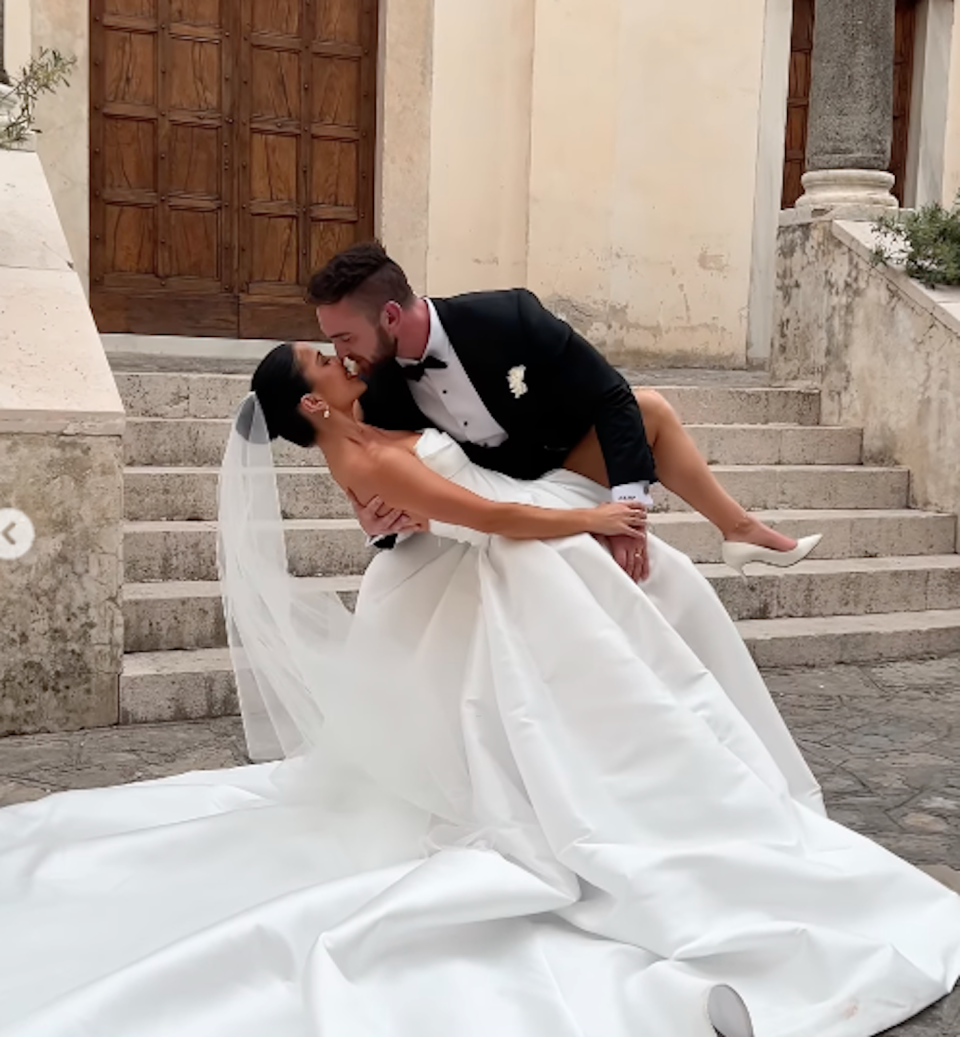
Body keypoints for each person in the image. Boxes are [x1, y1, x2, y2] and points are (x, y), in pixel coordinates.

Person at [1, 342, 956, 1037]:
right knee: (564, 673)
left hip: (471, 557)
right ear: (317, 407)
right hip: (493, 561)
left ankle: (666, 758)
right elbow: (484, 512)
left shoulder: (369, 420)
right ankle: (634, 801)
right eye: (324, 362)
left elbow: (439, 494)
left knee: (637, 577)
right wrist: (595, 521)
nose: (341, 357)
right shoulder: (366, 451)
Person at [306, 242, 821, 580]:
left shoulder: (509, 317)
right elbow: (395, 485)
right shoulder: (371, 385)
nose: (342, 352)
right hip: (494, 505)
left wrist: (629, 522)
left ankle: (739, 529)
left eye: (344, 336)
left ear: (391, 315)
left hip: (557, 468)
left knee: (647, 408)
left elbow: (609, 394)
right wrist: (376, 521)